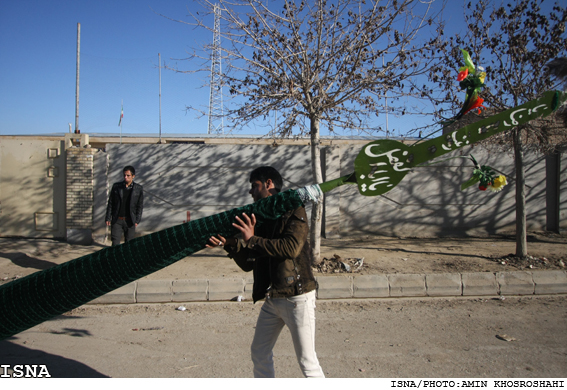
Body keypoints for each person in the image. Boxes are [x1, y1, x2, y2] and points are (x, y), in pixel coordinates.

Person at [207, 166, 324, 378]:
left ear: (269, 184)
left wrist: (252, 239)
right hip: (272, 298)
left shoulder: (293, 207)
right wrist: (229, 243)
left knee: (307, 361)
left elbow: (291, 248)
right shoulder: (259, 217)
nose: (251, 192)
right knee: (259, 352)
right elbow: (250, 263)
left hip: (297, 296)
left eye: (255, 186)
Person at [105, 165, 144, 246]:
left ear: (133, 176)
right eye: (124, 175)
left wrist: (137, 220)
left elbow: (139, 206)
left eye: (128, 175)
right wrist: (108, 217)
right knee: (115, 243)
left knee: (129, 245)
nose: (126, 177)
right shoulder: (116, 187)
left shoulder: (138, 188)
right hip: (117, 220)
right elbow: (111, 203)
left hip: (130, 220)